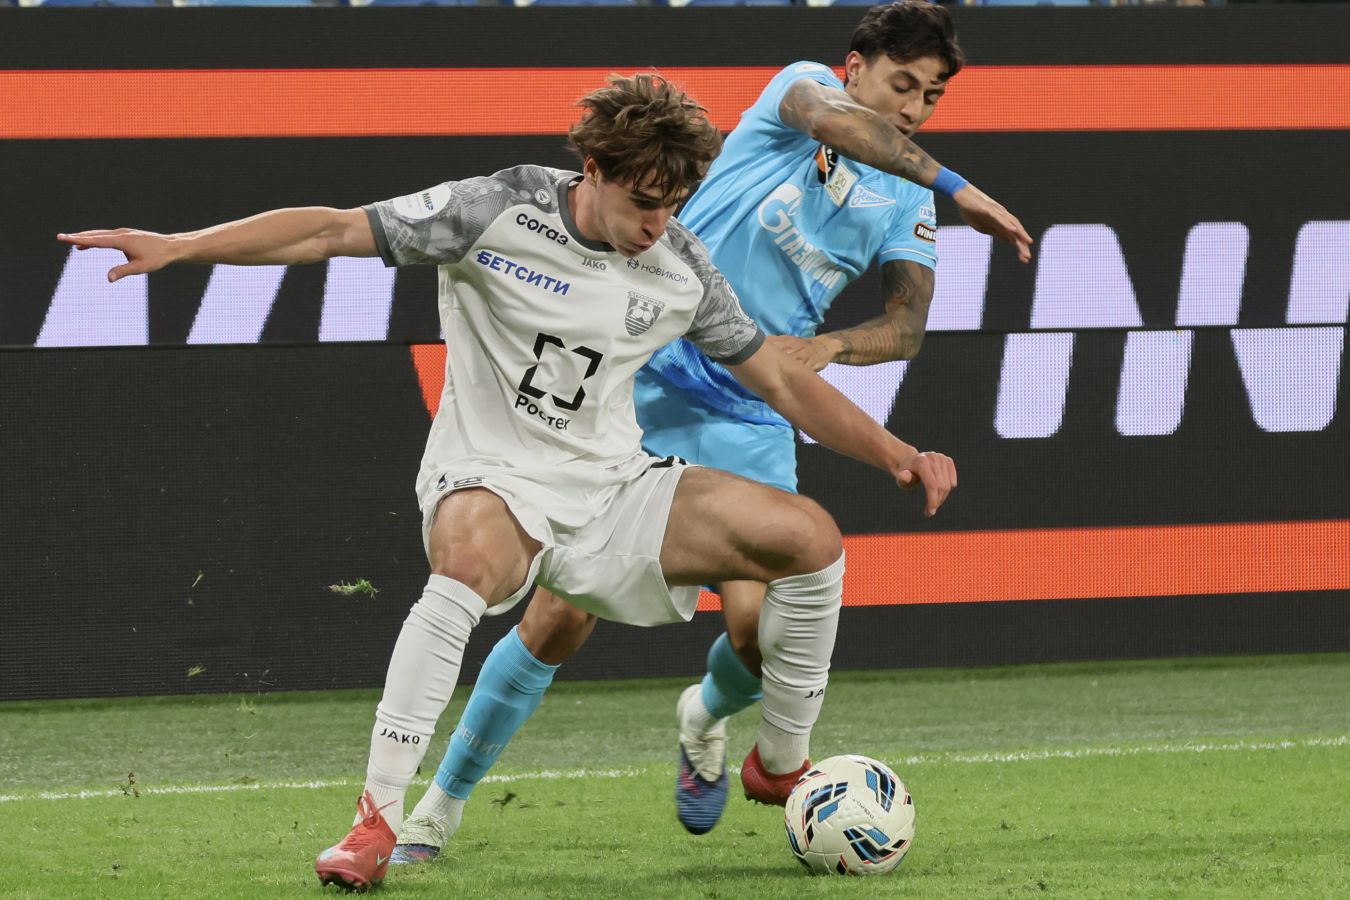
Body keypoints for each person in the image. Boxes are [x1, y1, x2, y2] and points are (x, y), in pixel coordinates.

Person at [59, 71, 967, 892]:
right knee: (464, 570)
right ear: (592, 169)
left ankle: (779, 761)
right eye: (643, 202)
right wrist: (179, 246)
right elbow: (332, 228)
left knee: (810, 539)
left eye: (674, 203)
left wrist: (897, 453)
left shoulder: (680, 264)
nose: (657, 224)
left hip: (613, 488)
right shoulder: (494, 208)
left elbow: (780, 381)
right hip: (492, 475)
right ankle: (378, 820)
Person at [393, 0, 1031, 862]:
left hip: (752, 405)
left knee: (759, 636)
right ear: (854, 67)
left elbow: (906, 327)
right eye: (901, 84)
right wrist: (962, 187)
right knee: (559, 616)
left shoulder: (903, 200)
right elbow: (845, 127)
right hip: (641, 376)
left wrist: (833, 345)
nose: (913, 108)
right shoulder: (801, 94)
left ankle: (702, 717)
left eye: (931, 97)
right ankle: (437, 808)